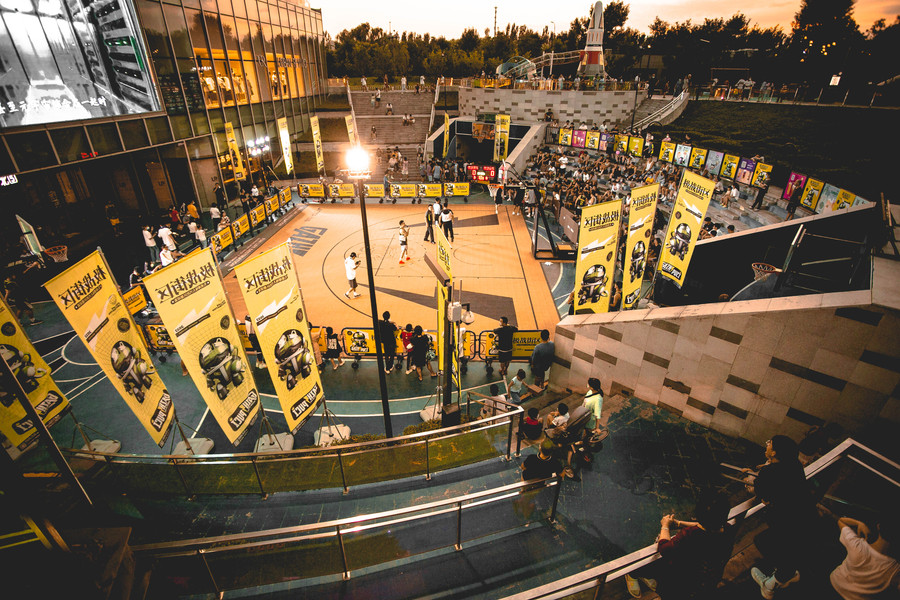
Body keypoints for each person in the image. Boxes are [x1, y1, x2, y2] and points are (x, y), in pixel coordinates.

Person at [625, 490, 735, 599]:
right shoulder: (727, 529)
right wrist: (679, 523)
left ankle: (632, 573)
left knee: (655, 562)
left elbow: (665, 548)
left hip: (682, 584)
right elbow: (707, 525)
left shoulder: (689, 535)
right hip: (705, 581)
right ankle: (644, 575)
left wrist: (665, 526)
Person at [749, 435, 815, 598]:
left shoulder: (768, 473)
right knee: (791, 548)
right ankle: (787, 572)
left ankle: (771, 584)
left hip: (785, 522)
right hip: (804, 516)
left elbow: (762, 494)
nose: (767, 444)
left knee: (768, 544)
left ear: (774, 453)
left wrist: (753, 475)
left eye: (769, 443)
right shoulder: (795, 465)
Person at [829, 515, 900, 599]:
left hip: (832, 586)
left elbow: (841, 521)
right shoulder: (895, 570)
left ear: (878, 527)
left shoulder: (857, 545)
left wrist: (859, 523)